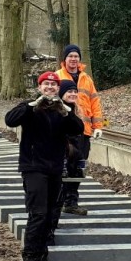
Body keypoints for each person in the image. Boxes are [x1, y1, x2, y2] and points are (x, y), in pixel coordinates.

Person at [5, 71, 84, 261]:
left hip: (55, 169)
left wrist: (66, 111)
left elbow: (78, 128)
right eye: (46, 84)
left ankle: (42, 257)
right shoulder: (29, 107)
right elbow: (10, 120)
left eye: (53, 84)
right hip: (33, 168)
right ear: (39, 87)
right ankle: (29, 258)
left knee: (50, 214)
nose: (50, 87)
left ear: (58, 88)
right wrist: (32, 105)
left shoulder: (62, 110)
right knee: (38, 213)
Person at [56, 44, 104, 209]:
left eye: (76, 56)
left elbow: (95, 101)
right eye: (71, 56)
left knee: (78, 167)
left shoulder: (86, 78)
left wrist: (98, 126)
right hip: (63, 131)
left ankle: (72, 201)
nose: (74, 59)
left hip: (83, 131)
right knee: (62, 166)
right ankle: (59, 200)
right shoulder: (57, 76)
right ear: (65, 59)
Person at [58, 80, 88, 216]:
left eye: (75, 91)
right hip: (64, 150)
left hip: (76, 149)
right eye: (69, 91)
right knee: (61, 178)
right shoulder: (59, 109)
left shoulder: (76, 109)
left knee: (75, 175)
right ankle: (58, 205)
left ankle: (71, 203)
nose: (73, 94)